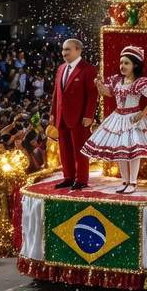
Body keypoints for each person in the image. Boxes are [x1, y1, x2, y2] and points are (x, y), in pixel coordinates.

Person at [82, 46, 147, 194]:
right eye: (121, 63)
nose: (122, 66)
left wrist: (142, 114)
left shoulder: (140, 82)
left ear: (135, 65)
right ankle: (125, 180)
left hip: (133, 118)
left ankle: (133, 182)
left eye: (126, 63)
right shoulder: (117, 80)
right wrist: (99, 84)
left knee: (134, 152)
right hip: (117, 118)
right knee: (120, 151)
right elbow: (107, 93)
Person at [51, 38, 98, 190]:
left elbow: (92, 94)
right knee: (64, 149)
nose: (64, 53)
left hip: (79, 118)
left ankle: (82, 179)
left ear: (78, 50)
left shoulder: (88, 69)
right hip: (61, 116)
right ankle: (68, 177)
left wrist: (89, 115)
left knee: (79, 149)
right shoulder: (61, 68)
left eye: (67, 50)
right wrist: (52, 113)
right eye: (63, 49)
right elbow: (56, 93)